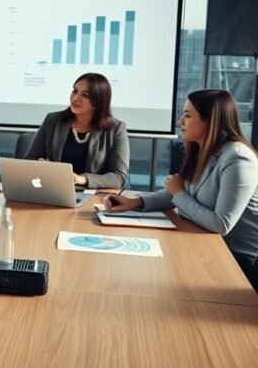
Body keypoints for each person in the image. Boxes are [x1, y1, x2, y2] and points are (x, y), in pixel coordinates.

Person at [106, 89, 258, 290]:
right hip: (201, 242)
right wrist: (137, 202)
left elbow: (221, 224)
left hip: (235, 260)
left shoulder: (238, 158)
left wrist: (177, 193)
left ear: (211, 120)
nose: (180, 121)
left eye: (187, 115)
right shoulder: (202, 149)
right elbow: (180, 193)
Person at [24, 73, 129, 189]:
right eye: (75, 91)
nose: (75, 98)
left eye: (85, 95)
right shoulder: (53, 120)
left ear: (99, 101)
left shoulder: (116, 129)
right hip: (53, 190)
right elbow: (30, 159)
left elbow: (119, 177)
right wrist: (40, 164)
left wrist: (82, 179)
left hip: (92, 196)